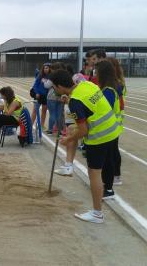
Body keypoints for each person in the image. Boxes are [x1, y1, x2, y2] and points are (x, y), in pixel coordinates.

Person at [50, 69, 122, 224]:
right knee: (105, 168)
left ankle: (97, 214)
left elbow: (83, 130)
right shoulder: (86, 84)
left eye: (54, 87)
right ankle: (104, 198)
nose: (54, 90)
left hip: (99, 137)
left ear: (60, 86)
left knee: (94, 174)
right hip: (112, 131)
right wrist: (69, 101)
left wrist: (69, 139)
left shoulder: (75, 101)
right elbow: (89, 106)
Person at [95, 60, 123, 199]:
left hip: (110, 130)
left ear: (103, 74)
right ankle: (107, 186)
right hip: (111, 129)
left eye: (96, 72)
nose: (95, 75)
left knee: (108, 159)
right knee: (108, 158)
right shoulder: (106, 89)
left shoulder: (109, 91)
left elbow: (105, 110)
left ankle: (109, 188)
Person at [107, 57, 126, 185]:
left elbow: (120, 104)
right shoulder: (114, 82)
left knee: (113, 150)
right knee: (112, 149)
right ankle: (115, 175)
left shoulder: (116, 83)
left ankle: (116, 176)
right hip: (114, 119)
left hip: (114, 120)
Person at [31, 63, 50, 128]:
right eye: (44, 68)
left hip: (46, 96)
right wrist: (36, 93)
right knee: (35, 110)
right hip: (38, 96)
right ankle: (31, 124)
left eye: (47, 68)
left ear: (49, 68)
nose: (45, 69)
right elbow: (35, 85)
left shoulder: (51, 77)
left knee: (44, 111)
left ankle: (41, 125)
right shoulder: (40, 75)